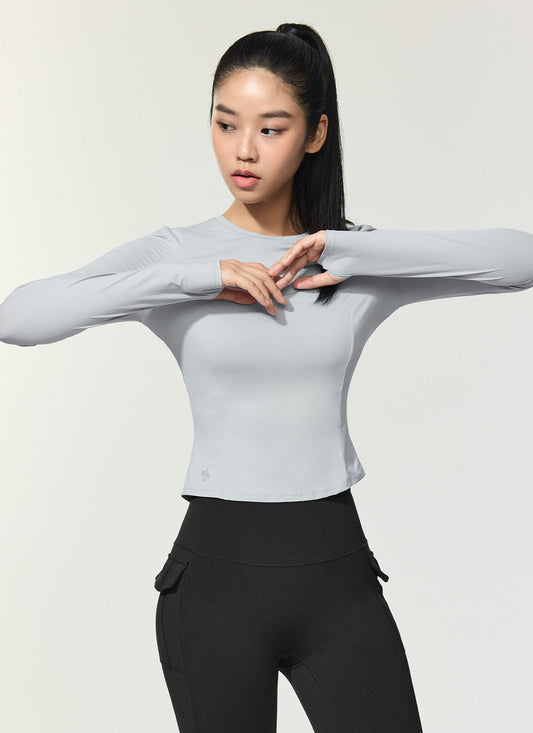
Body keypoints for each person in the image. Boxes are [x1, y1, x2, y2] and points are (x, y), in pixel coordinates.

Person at [1, 21, 532, 733]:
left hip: (338, 575)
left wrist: (350, 248)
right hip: (216, 584)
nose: (243, 150)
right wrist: (196, 278)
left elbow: (519, 260)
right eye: (225, 124)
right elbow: (19, 317)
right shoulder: (178, 254)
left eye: (270, 129)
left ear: (315, 134)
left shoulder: (350, 262)